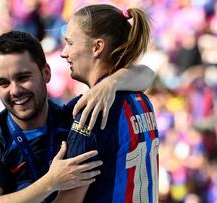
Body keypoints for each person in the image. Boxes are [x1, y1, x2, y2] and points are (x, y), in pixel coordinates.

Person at [0, 31, 155, 203]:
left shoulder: (73, 116)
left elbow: (146, 74)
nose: (15, 90)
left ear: (46, 73)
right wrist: (50, 182)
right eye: (4, 83)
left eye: (23, 77)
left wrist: (110, 84)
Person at [56, 4, 159, 203]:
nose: (63, 52)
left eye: (69, 42)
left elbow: (69, 200)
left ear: (97, 47)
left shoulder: (94, 109)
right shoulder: (142, 99)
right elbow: (147, 73)